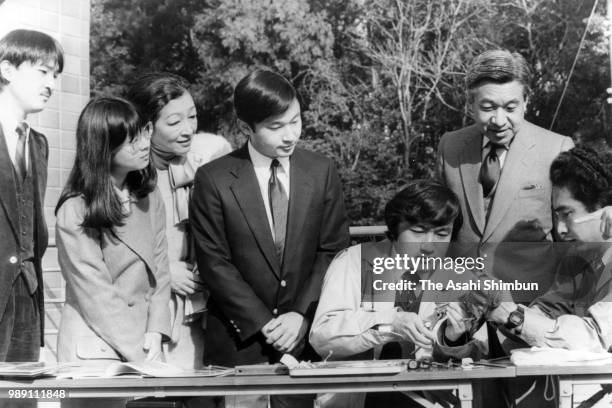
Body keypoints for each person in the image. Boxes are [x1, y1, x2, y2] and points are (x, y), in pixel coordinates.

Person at [190, 69, 350, 408]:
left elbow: (332, 250)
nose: (290, 135)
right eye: (276, 127)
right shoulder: (213, 178)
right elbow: (214, 262)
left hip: (301, 342)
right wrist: (262, 322)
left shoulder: (321, 170)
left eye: (295, 121)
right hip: (238, 341)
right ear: (246, 127)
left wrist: (302, 316)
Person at [310, 180, 488, 408]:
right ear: (395, 229)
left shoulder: (461, 278)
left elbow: (476, 357)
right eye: (418, 232)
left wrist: (452, 339)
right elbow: (322, 337)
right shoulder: (354, 262)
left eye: (442, 234)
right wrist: (389, 324)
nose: (429, 246)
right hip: (356, 400)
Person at [55, 97, 171, 408]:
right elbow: (96, 296)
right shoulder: (76, 209)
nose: (144, 144)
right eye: (131, 140)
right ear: (104, 148)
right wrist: (142, 355)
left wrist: (157, 330)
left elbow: (160, 269)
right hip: (96, 349)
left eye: (143, 134)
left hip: (147, 346)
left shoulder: (149, 196)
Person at [437, 49, 574, 299]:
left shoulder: (558, 148)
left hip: (530, 303)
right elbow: (439, 227)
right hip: (460, 300)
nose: (499, 121)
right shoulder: (450, 146)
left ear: (526, 101)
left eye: (511, 107)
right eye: (488, 107)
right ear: (471, 103)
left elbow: (569, 240)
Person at [127, 72, 232, 370]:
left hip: (199, 316)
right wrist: (165, 271)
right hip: (148, 316)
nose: (187, 130)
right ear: (146, 126)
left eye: (192, 117)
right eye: (173, 123)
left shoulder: (207, 159)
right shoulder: (127, 172)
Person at [487, 147, 612, 352]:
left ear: (602, 208)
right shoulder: (575, 262)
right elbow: (545, 313)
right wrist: (497, 305)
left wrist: (513, 317)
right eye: (557, 216)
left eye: (568, 214)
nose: (560, 229)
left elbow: (593, 337)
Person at [0, 29, 63, 363]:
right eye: (42, 71)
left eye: (55, 74)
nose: (51, 83)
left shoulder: (39, 144)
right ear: (7, 70)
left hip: (27, 297)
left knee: (23, 398)